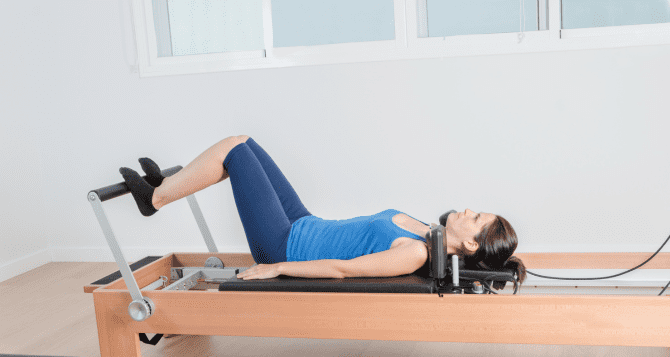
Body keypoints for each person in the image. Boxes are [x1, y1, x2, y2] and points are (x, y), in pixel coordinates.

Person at [119, 135, 526, 288]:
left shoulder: (416, 251)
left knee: (235, 153)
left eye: (477, 218)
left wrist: (277, 268)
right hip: (303, 223)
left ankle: (154, 199)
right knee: (246, 141)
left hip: (285, 245)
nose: (469, 210)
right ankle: (163, 188)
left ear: (471, 242)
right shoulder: (426, 232)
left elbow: (343, 270)